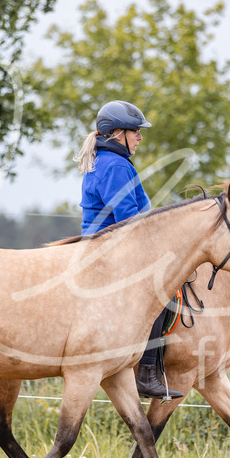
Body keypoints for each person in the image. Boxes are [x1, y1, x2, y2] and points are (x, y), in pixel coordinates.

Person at [76, 100, 184, 400]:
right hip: (113, 248)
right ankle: (147, 374)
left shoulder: (108, 161)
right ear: (118, 134)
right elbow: (128, 220)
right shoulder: (116, 166)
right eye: (136, 132)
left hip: (106, 245)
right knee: (163, 292)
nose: (139, 137)